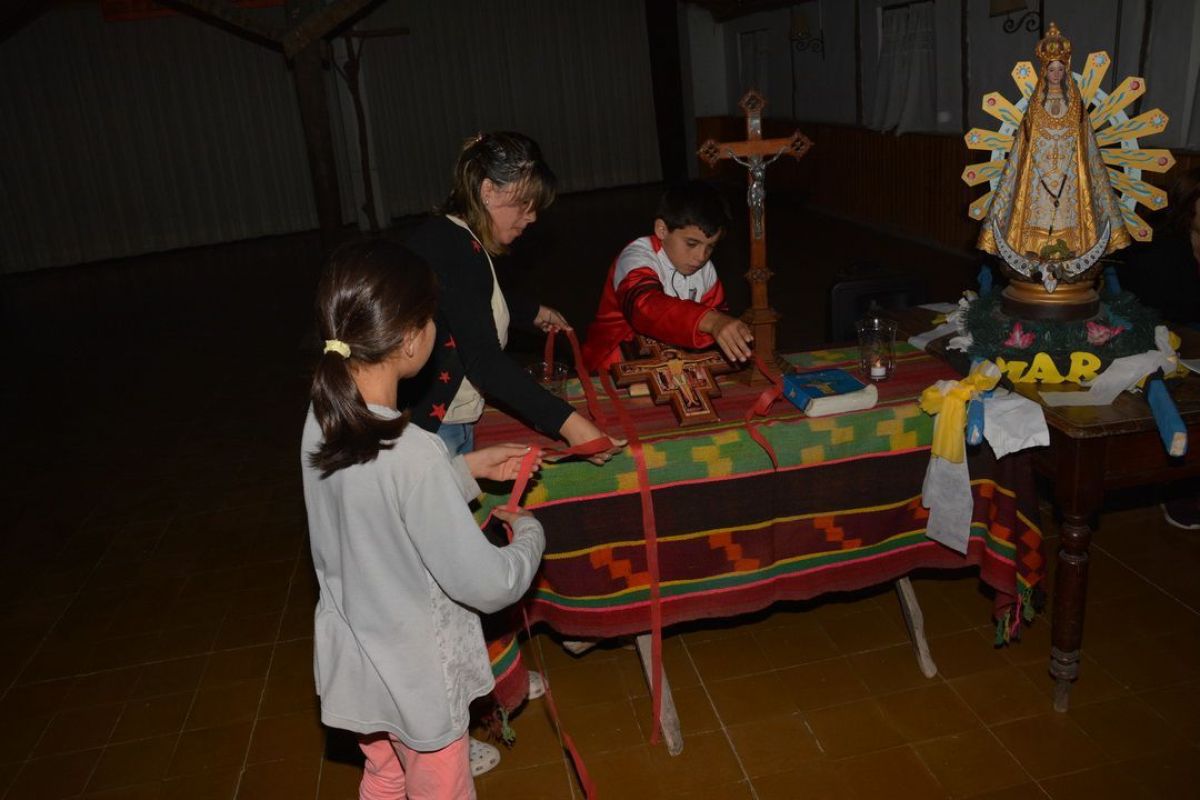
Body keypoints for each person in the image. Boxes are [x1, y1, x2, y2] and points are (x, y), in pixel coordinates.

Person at [300, 239, 546, 797]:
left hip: (359, 663)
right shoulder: (413, 454)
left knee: (385, 774)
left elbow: (374, 505)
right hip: (417, 677)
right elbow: (488, 584)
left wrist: (461, 471)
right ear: (411, 339)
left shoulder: (323, 420)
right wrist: (528, 533)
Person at [404, 131, 620, 460]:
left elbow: (465, 300)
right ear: (488, 190)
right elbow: (484, 361)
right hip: (436, 428)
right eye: (523, 204)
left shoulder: (451, 237)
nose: (532, 216)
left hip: (446, 418)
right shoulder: (457, 249)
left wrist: (528, 311)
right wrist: (571, 425)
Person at [978, 23, 1130, 266]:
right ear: (1044, 71)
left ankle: (1075, 257)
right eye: (1052, 69)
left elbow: (1087, 149)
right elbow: (1023, 150)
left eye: (1060, 69)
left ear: (1066, 69)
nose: (1056, 74)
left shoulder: (1077, 107)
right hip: (1038, 182)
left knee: (1071, 222)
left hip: (1071, 180)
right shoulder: (1035, 108)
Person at [581, 180, 754, 372]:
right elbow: (645, 307)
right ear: (661, 230)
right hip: (614, 364)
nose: (701, 257)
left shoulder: (705, 270)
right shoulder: (635, 258)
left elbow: (715, 320)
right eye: (691, 243)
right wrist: (713, 322)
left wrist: (727, 333)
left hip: (673, 363)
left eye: (710, 246)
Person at [1119, 167, 1200, 528]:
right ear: (1189, 207)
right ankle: (1181, 487)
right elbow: (1158, 312)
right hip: (1156, 338)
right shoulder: (1160, 249)